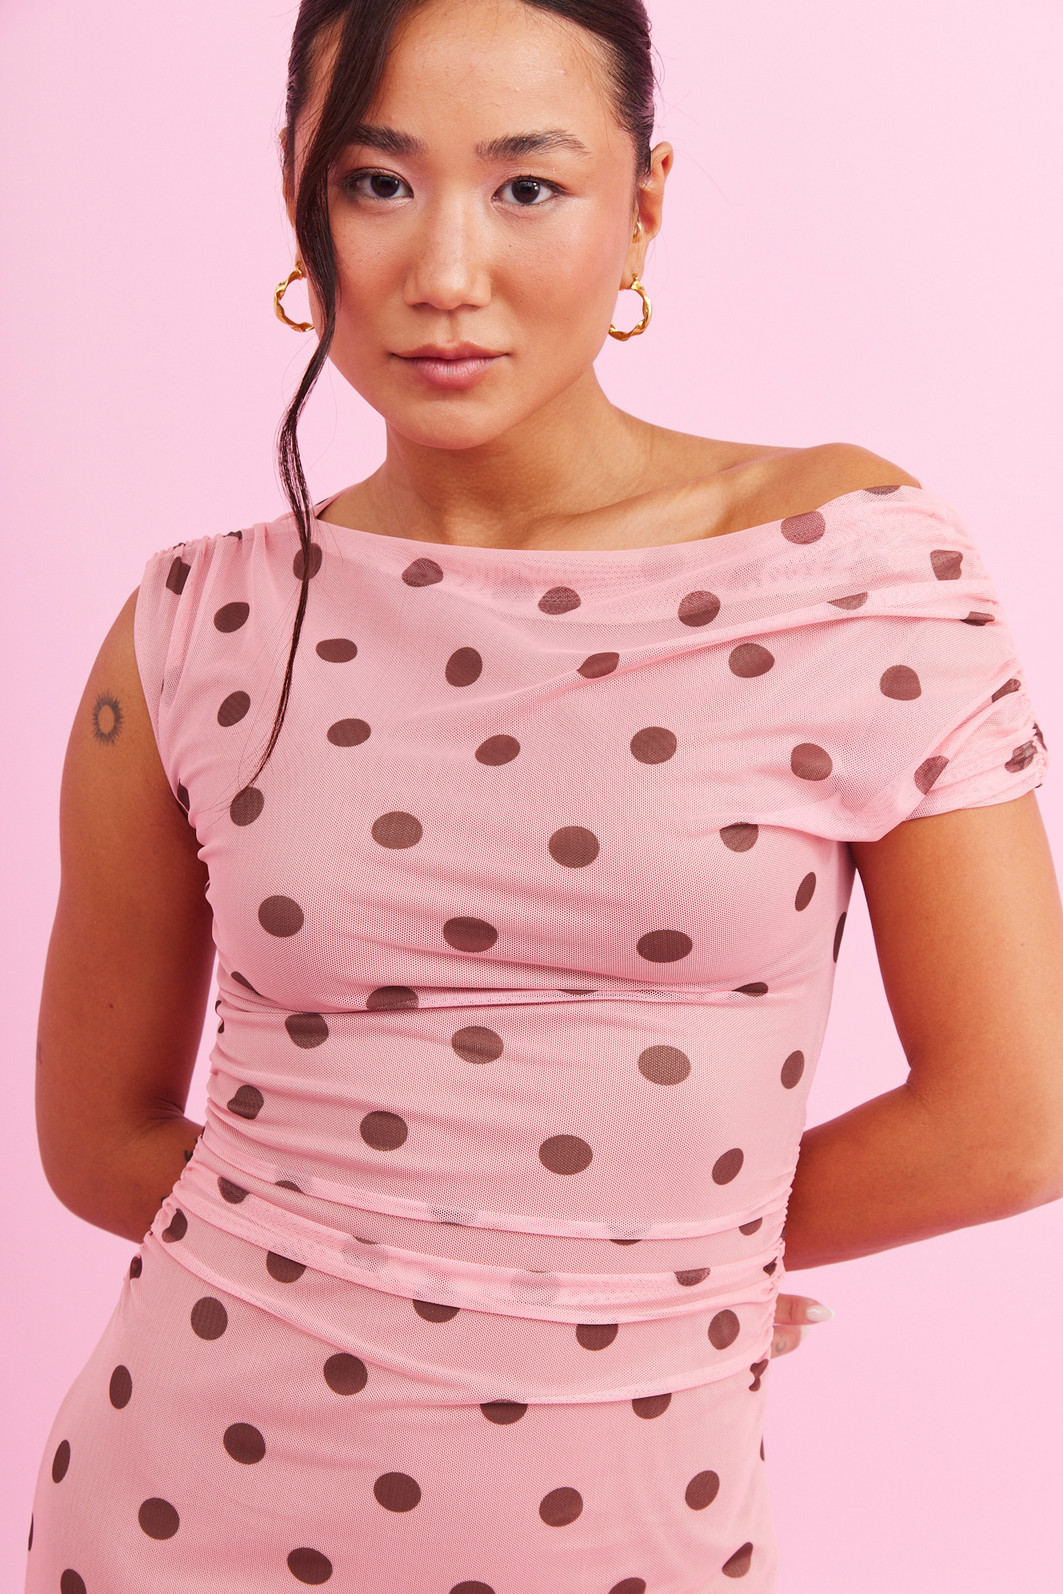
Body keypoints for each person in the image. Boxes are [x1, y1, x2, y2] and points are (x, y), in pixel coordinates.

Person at [25, 0, 1063, 1589]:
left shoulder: (851, 570)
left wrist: (635, 1262)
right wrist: (494, 1265)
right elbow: (97, 1138)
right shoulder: (190, 624)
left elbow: (1017, 1115)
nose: (448, 272)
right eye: (378, 181)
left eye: (527, 186)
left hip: (631, 1539)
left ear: (643, 202)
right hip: (181, 1510)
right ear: (298, 192)